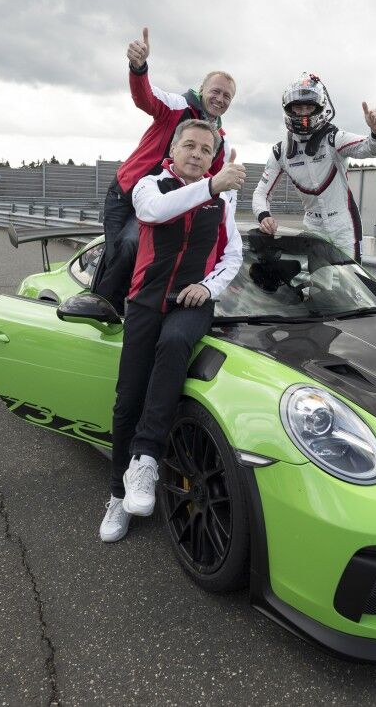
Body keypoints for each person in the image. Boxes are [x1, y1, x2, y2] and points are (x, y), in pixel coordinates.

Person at [99, 119, 246, 543]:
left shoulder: (221, 201)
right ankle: (117, 496)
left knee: (176, 340)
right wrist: (213, 185)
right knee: (127, 401)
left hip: (190, 302)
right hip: (145, 301)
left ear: (212, 156)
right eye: (190, 146)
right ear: (173, 150)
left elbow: (233, 255)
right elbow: (155, 212)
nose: (197, 154)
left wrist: (208, 286)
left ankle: (146, 460)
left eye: (206, 149)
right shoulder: (150, 186)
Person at [94, 27, 237, 314]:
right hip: (128, 193)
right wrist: (139, 67)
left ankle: (140, 313)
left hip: (169, 203)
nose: (220, 99)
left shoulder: (220, 141)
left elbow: (214, 185)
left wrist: (226, 225)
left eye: (227, 96)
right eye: (216, 91)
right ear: (202, 89)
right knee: (124, 248)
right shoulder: (177, 105)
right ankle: (102, 308)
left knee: (153, 260)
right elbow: (145, 97)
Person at [251, 73, 376, 261]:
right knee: (320, 280)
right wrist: (263, 216)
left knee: (352, 278)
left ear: (320, 108)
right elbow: (260, 193)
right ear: (289, 109)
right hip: (313, 226)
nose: (304, 113)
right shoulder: (280, 151)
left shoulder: (333, 138)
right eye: (298, 107)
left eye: (309, 107)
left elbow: (371, 149)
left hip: (344, 224)